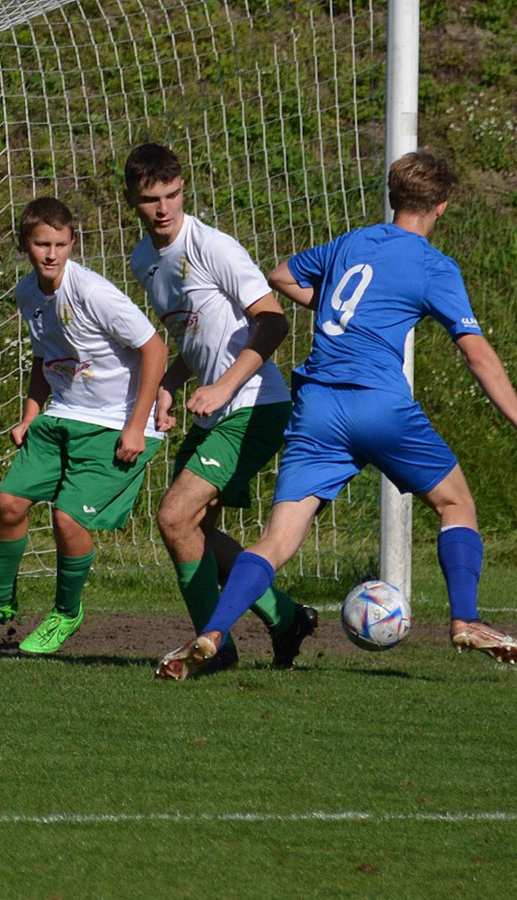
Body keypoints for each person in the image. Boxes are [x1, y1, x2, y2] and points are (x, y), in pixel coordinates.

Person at [157, 151, 517, 679]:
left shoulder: (352, 242)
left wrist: (332, 308)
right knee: (456, 502)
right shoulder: (434, 266)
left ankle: (213, 630)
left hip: (318, 408)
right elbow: (477, 355)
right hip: (380, 405)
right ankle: (465, 619)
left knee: (277, 540)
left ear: (393, 198)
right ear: (441, 206)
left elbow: (280, 275)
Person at [124, 143, 319, 676]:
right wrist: (170, 383)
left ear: (183, 190)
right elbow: (195, 336)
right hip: (217, 410)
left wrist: (223, 386)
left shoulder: (214, 247)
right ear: (132, 200)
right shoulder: (143, 261)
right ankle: (286, 618)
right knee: (194, 532)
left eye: (172, 195)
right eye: (151, 199)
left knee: (173, 517)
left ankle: (214, 647)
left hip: (256, 405)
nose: (163, 208)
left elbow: (273, 322)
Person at [0, 197, 167, 654]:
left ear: (72, 243)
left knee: (66, 519)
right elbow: (44, 354)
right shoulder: (27, 293)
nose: (52, 254)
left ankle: (66, 613)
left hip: (114, 422)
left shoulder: (93, 292)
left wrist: (135, 426)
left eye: (61, 244)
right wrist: (30, 414)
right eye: (42, 244)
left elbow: (155, 348)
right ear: (25, 245)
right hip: (63, 414)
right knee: (8, 503)